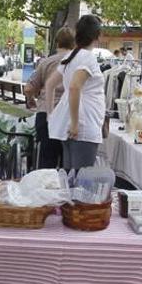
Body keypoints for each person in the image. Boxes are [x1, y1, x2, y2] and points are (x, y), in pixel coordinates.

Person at [46, 14, 106, 170]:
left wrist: (50, 114)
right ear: (97, 36)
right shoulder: (88, 58)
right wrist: (75, 123)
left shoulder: (71, 57)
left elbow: (50, 84)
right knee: (81, 181)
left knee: (69, 179)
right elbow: (74, 86)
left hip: (70, 123)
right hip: (83, 125)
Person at [24, 27, 75, 169]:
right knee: (68, 164)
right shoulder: (78, 63)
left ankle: (45, 189)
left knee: (47, 162)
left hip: (45, 114)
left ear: (57, 42)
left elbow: (28, 88)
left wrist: (30, 100)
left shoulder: (45, 63)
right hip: (69, 116)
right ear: (74, 43)